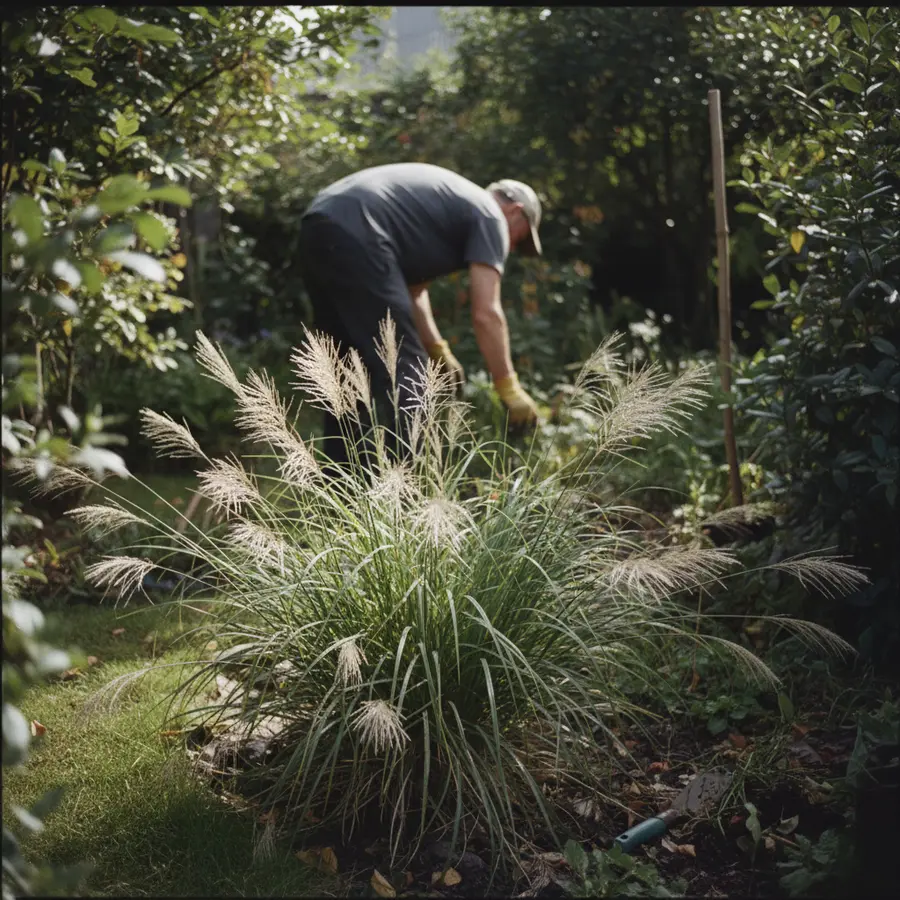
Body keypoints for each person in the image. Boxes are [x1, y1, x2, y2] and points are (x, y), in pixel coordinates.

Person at [297, 161, 542, 469]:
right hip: (362, 231)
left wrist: (438, 348)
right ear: (515, 211)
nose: (514, 246)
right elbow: (486, 313)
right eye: (520, 238)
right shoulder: (490, 214)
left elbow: (414, 293)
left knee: (346, 367)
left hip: (319, 223)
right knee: (404, 367)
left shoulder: (446, 205)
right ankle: (406, 492)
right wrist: (508, 386)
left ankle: (340, 490)